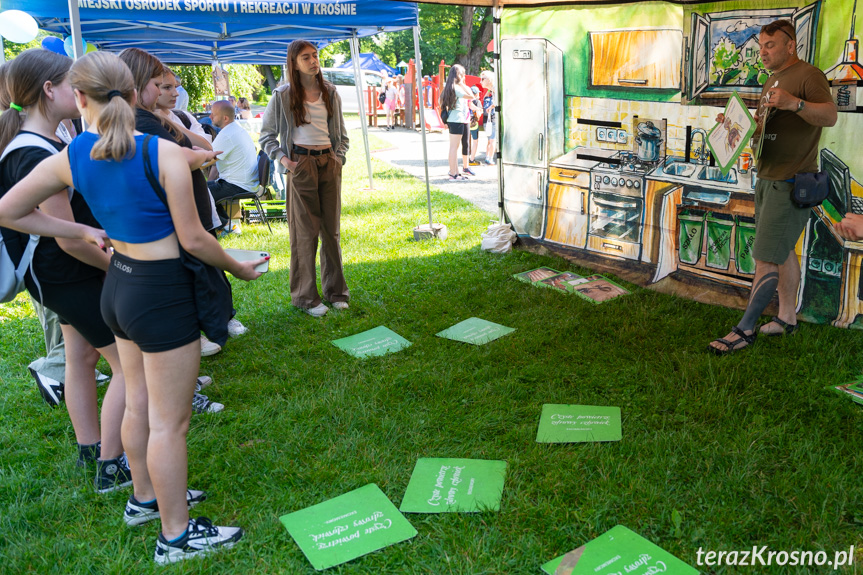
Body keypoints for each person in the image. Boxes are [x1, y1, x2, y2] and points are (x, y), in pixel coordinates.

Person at [0, 51, 266, 564]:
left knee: (140, 401)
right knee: (171, 422)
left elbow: (9, 210)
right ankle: (176, 536)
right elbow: (193, 239)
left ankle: (144, 499)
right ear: (132, 91)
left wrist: (74, 230)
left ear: (80, 99)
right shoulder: (156, 153)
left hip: (117, 285)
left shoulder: (73, 153)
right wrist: (237, 266)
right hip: (159, 291)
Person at [0, 48, 131, 491]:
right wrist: (120, 268)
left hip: (56, 275)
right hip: (66, 272)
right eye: (71, 83)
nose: (80, 93)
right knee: (130, 367)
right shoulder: (36, 151)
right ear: (49, 90)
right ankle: (113, 467)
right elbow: (68, 237)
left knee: (80, 357)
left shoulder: (41, 141)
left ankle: (90, 449)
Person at [708, 19, 837, 354]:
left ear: (790, 45)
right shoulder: (771, 81)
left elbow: (830, 115)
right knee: (782, 255)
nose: (763, 52)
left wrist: (795, 103)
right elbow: (763, 130)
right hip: (767, 178)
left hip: (790, 181)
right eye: (761, 46)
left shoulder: (809, 76)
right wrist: (735, 127)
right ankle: (786, 318)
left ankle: (744, 330)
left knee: (766, 258)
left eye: (771, 45)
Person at [119, 48, 244, 359]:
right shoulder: (139, 121)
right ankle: (193, 342)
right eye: (164, 85)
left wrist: (180, 134)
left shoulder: (153, 118)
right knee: (190, 278)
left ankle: (201, 338)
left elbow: (201, 150)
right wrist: (196, 158)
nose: (174, 92)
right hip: (168, 219)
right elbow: (180, 160)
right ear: (138, 84)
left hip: (184, 210)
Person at [259, 40, 350, 318]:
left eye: (315, 55)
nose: (313, 61)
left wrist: (338, 158)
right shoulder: (283, 95)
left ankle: (336, 292)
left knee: (330, 231)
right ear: (294, 63)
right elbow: (266, 137)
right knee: (304, 233)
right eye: (306, 57)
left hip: (328, 163)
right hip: (301, 164)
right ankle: (305, 297)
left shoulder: (331, 92)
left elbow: (342, 137)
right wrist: (286, 161)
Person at [207, 100, 258, 226]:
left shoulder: (227, 134)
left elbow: (206, 160)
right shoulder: (235, 129)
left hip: (237, 185)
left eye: (213, 114)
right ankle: (227, 225)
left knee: (198, 192)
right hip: (244, 183)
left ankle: (224, 226)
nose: (210, 117)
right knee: (203, 188)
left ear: (225, 118)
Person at [440, 64, 473, 180]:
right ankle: (453, 174)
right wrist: (463, 83)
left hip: (453, 119)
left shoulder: (448, 87)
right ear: (458, 75)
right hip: (457, 119)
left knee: (454, 147)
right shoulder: (457, 87)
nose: (464, 76)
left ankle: (455, 172)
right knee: (454, 148)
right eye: (462, 74)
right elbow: (472, 96)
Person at [481, 70, 497, 165]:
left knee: (492, 139)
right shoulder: (493, 89)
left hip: (494, 116)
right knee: (491, 138)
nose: (481, 81)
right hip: (491, 116)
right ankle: (488, 157)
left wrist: (491, 107)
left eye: (483, 79)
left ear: (489, 79)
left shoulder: (495, 88)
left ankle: (489, 157)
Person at [468, 85, 482, 167]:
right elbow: (479, 114)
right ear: (476, 94)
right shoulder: (477, 102)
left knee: (465, 141)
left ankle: (465, 157)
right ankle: (472, 159)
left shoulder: (466, 101)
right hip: (474, 124)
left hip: (466, 122)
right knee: (475, 142)